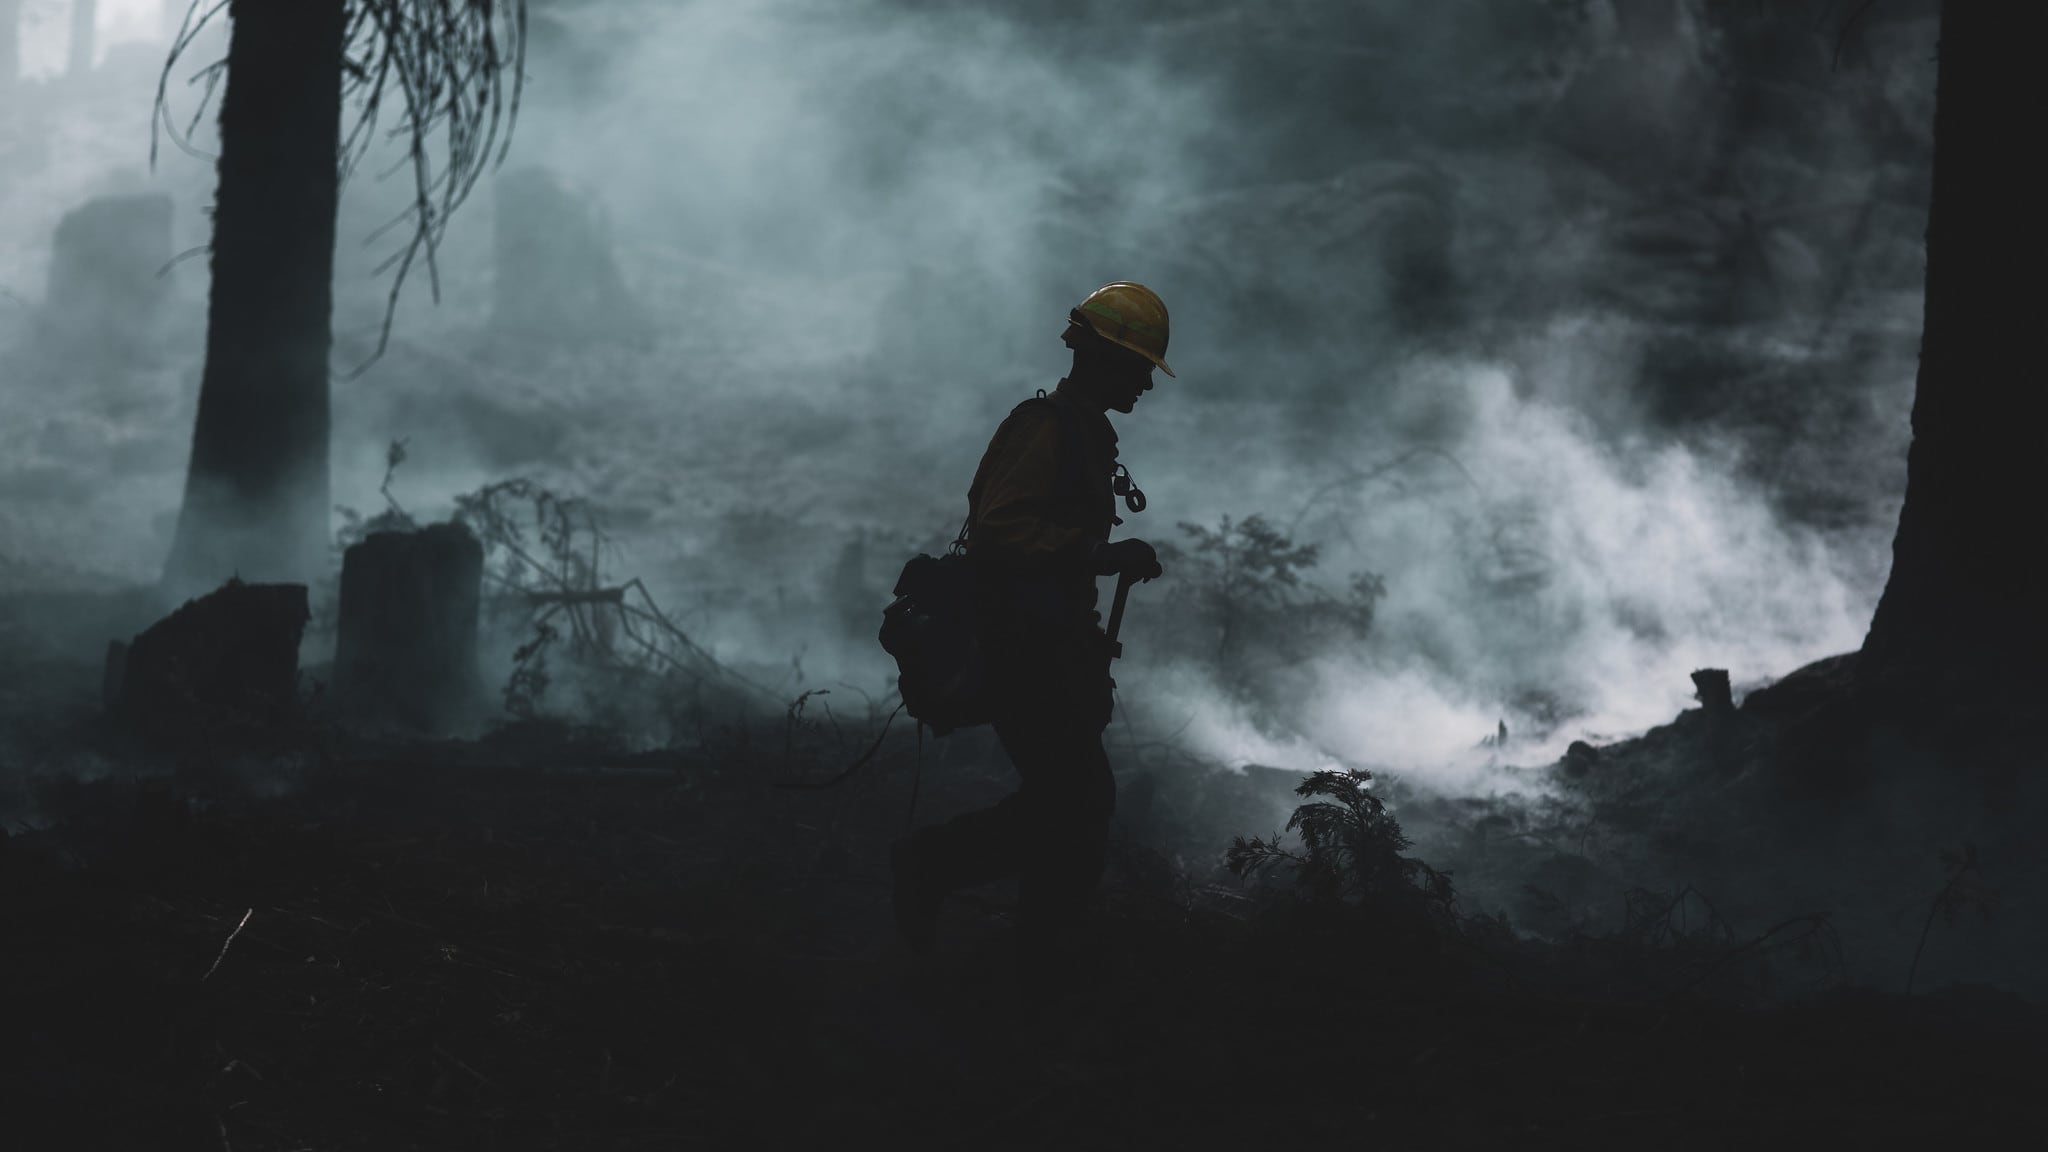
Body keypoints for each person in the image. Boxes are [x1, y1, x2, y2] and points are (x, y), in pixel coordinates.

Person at [890, 281, 1171, 992]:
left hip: (1048, 646)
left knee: (1068, 804)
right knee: (1078, 802)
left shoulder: (1082, 431)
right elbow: (1000, 530)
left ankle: (1038, 958)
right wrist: (1104, 555)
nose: (1144, 381)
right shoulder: (1045, 427)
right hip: (1020, 649)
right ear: (1101, 358)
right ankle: (943, 876)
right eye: (1137, 365)